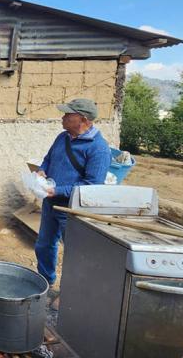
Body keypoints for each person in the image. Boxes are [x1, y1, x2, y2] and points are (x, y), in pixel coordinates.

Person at [35, 99, 111, 285]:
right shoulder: (63, 137)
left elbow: (92, 186)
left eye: (68, 115)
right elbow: (48, 158)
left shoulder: (99, 149)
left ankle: (70, 292)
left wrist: (58, 190)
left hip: (72, 210)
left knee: (76, 252)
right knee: (44, 245)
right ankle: (45, 282)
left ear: (83, 119)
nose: (63, 117)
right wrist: (41, 170)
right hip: (51, 202)